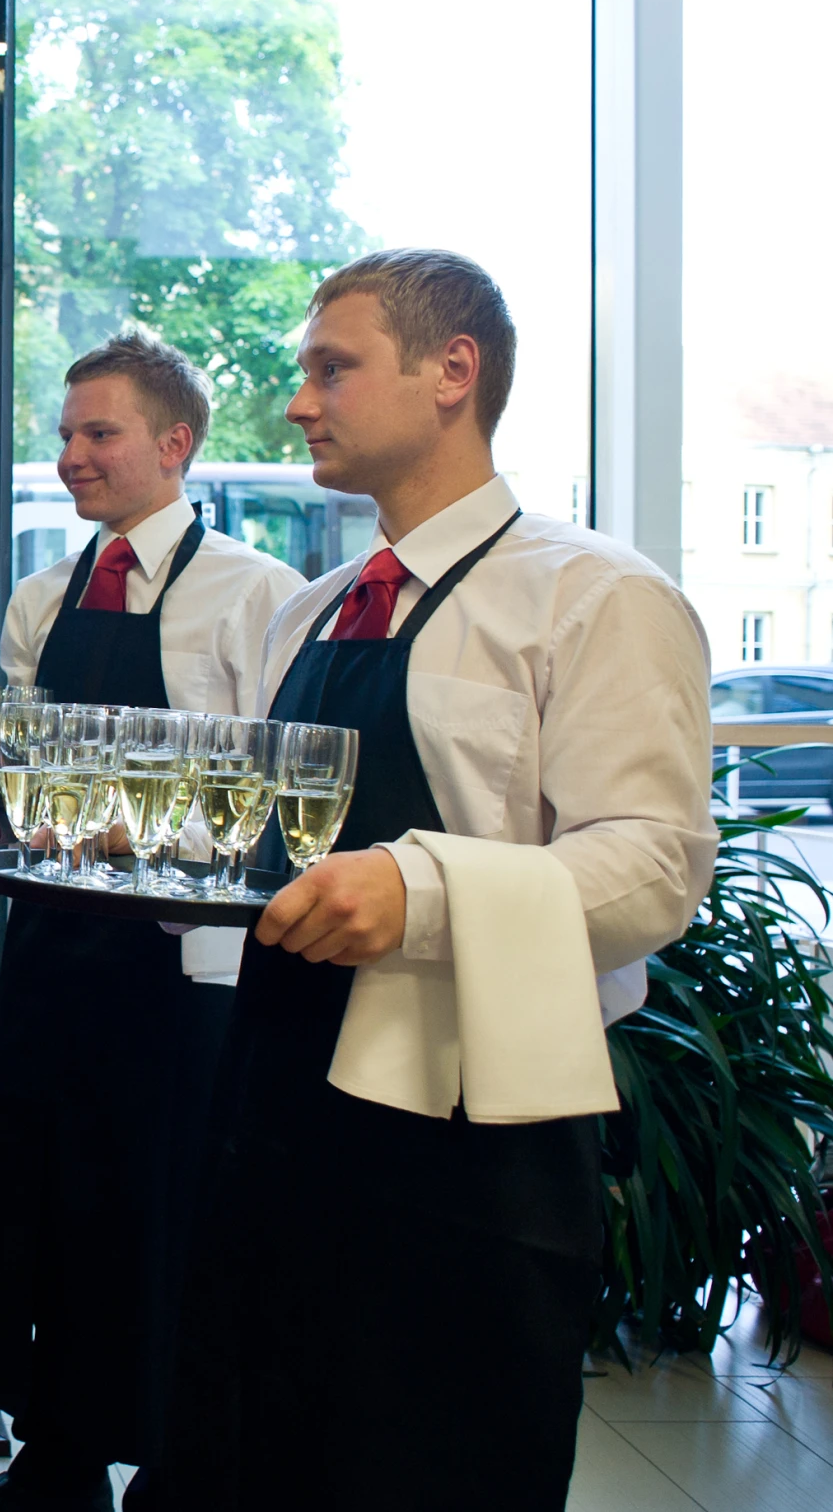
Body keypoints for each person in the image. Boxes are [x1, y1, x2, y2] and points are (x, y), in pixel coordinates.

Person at [156, 250, 713, 1510]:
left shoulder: (593, 596)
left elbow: (654, 865)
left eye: (329, 368)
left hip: (474, 1139)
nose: (298, 403)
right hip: (274, 1091)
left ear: (450, 371)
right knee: (245, 1448)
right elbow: (259, 838)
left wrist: (423, 892)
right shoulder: (310, 611)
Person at [0, 331, 301, 1512]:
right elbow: (28, 783)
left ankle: (175, 1475)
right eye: (66, 434)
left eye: (99, 432)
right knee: (45, 1207)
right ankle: (54, 1466)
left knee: (167, 1216)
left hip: (183, 969)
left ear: (175, 446)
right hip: (54, 950)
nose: (71, 455)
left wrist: (142, 834)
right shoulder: (38, 596)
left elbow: (278, 803)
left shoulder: (257, 594)